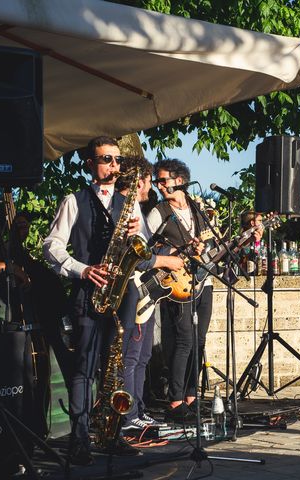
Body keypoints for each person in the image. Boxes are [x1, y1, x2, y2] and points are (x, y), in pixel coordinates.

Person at [43, 137, 141, 465]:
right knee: (84, 369)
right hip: (89, 292)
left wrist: (136, 236)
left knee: (114, 369)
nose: (113, 166)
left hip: (122, 294)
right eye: (105, 160)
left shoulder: (129, 205)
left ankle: (113, 434)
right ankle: (80, 440)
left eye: (116, 160)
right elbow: (52, 246)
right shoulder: (74, 200)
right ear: (90, 165)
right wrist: (83, 270)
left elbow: (143, 253)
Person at [113, 156, 184, 431]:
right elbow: (136, 256)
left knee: (141, 358)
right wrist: (165, 261)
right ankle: (127, 416)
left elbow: (146, 251)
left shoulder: (137, 208)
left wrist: (172, 253)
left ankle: (138, 410)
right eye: (149, 180)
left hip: (140, 289)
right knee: (130, 358)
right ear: (139, 179)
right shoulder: (123, 208)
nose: (151, 186)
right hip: (130, 289)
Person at [147, 159, 214, 423]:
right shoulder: (159, 212)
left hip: (202, 281)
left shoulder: (198, 209)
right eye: (157, 181)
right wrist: (171, 252)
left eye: (163, 180)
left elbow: (208, 243)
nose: (160, 186)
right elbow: (143, 249)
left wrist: (202, 250)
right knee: (184, 340)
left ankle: (191, 397)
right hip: (176, 285)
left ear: (180, 180)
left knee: (199, 341)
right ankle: (175, 402)